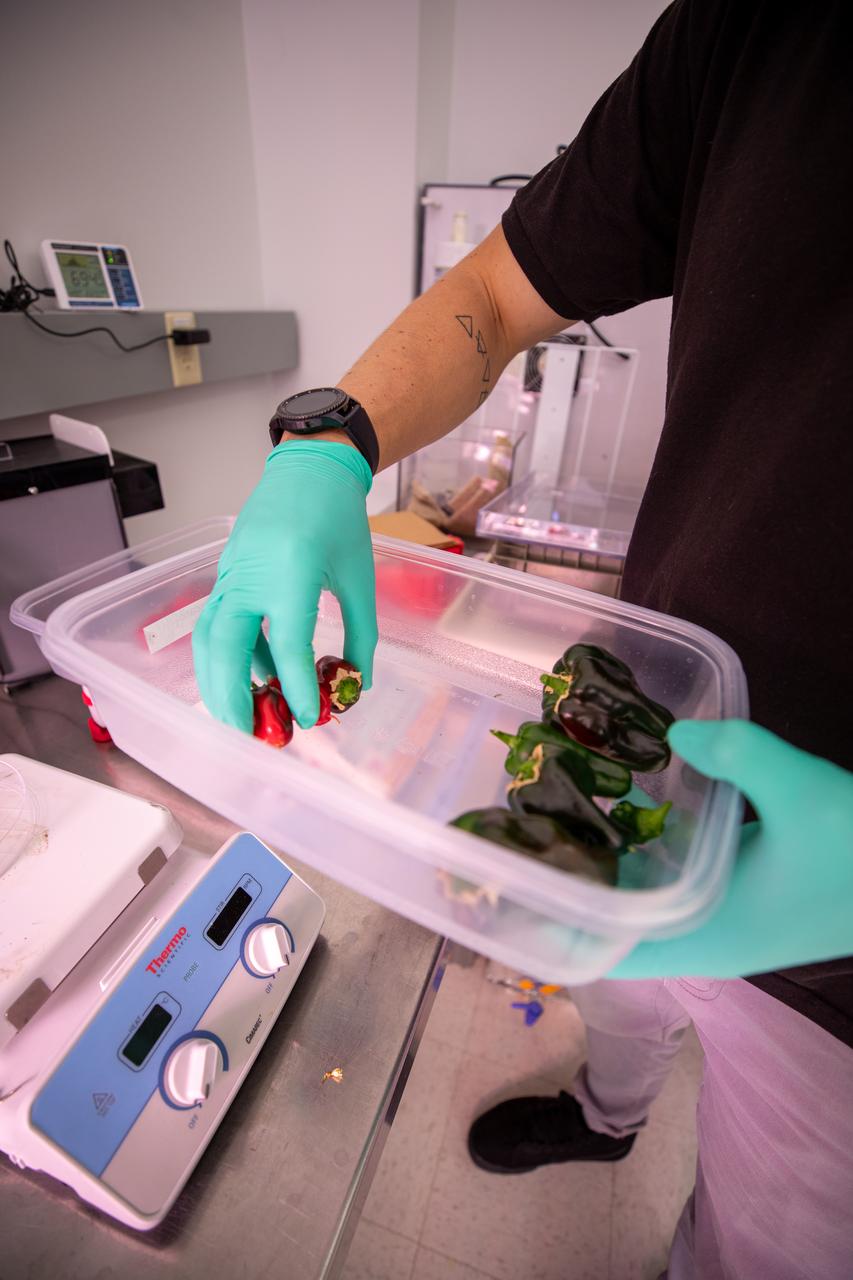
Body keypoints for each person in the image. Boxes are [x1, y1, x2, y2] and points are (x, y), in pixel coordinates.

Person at [193, 1, 853, 1274]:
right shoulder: (760, 31)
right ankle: (608, 1117)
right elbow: (497, 291)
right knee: (620, 976)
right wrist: (330, 437)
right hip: (650, 705)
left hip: (839, 969)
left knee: (761, 1237)